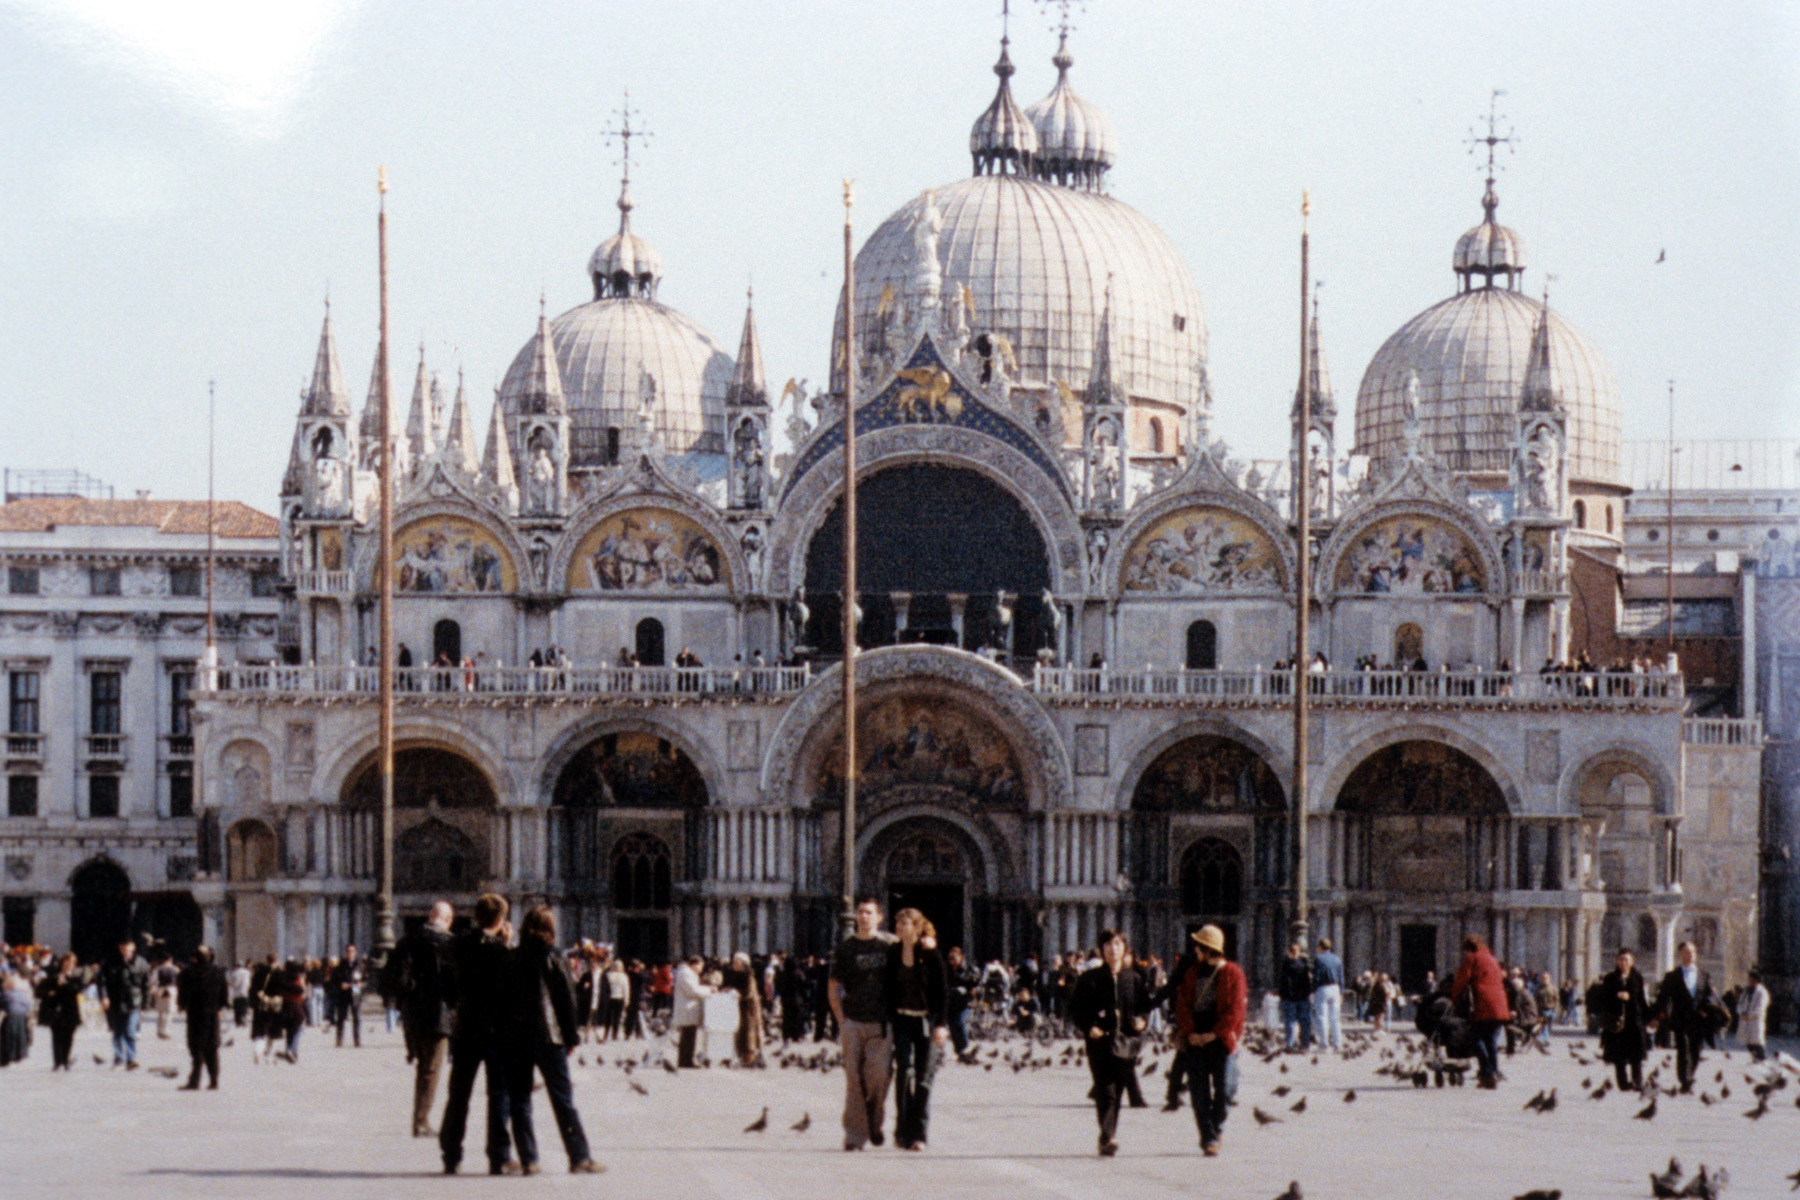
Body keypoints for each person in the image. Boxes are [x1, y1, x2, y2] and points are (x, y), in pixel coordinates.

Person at [502, 906, 604, 1175]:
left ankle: (529, 1159)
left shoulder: (511, 957)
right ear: (550, 929)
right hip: (550, 1036)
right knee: (562, 1099)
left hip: (516, 1037)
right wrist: (571, 1037)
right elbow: (566, 1000)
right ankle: (579, 1156)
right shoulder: (555, 956)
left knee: (520, 1099)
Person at [439, 893, 518, 1176]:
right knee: (499, 1095)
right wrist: (506, 945)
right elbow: (510, 986)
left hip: (465, 1029)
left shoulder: (457, 945)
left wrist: (457, 1007)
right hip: (497, 1031)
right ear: (501, 919)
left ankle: (451, 1155)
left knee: (458, 1094)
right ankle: (499, 1156)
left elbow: (447, 985)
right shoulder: (503, 951)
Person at [1070, 929, 1153, 1156]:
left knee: (1117, 1091)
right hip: (1099, 1043)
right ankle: (1108, 1136)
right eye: (1108, 944)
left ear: (1124, 948)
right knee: (1105, 1089)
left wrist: (1142, 1021)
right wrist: (1089, 1026)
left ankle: (1107, 1135)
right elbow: (1076, 1009)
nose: (1113, 949)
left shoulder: (1133, 979)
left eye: (1117, 944)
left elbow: (1145, 1006)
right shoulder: (1089, 979)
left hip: (1126, 1043)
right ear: (1102, 949)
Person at [1172, 924, 1246, 1156]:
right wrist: (1190, 1033)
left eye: (1198, 947)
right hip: (1196, 1038)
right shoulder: (1192, 973)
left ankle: (1216, 1126)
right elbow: (1182, 1004)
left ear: (1207, 949)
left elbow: (1236, 1010)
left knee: (1225, 1090)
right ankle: (1208, 1137)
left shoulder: (1233, 973)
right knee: (1199, 1092)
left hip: (1221, 1039)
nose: (1195, 951)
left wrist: (1214, 1034)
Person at [387, 900, 456, 1137]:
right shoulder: (449, 943)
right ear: (448, 920)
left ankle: (420, 1118)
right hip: (438, 1015)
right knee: (431, 1069)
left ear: (429, 916)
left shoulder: (407, 940)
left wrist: (408, 997)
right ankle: (421, 1121)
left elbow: (393, 978)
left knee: (423, 1066)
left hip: (413, 1014)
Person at [830, 896, 894, 1151]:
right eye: (860, 912)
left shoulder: (891, 945)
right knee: (854, 1079)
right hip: (853, 1021)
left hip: (881, 1021)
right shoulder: (846, 948)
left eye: (869, 912)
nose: (864, 916)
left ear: (879, 917)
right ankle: (855, 1136)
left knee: (878, 1075)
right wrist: (841, 1019)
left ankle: (873, 1121)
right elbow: (833, 985)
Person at [884, 908, 949, 1151]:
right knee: (904, 1074)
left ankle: (919, 1133)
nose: (900, 927)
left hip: (926, 1022)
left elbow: (942, 992)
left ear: (917, 927)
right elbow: (887, 987)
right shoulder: (893, 952)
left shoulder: (930, 954)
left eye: (905, 923)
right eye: (898, 923)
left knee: (924, 1078)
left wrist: (941, 1024)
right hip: (902, 1020)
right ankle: (903, 1132)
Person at [1652, 940, 1721, 1093]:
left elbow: (1711, 996)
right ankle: (1685, 1081)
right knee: (1683, 1050)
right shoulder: (1672, 976)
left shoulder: (1704, 975)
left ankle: (1690, 1075)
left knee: (1696, 1050)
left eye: (1692, 952)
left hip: (1699, 1020)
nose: (1690, 955)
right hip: (1680, 1019)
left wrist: (1707, 1009)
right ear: (1680, 955)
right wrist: (1657, 1016)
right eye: (1686, 952)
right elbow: (1663, 998)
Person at [1450, 935, 1510, 1089]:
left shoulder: (1473, 958)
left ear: (1469, 948)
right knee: (1491, 1041)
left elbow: (1461, 980)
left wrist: (1453, 998)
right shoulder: (1492, 959)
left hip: (1484, 1004)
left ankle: (1488, 1073)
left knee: (1474, 1038)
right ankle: (1492, 1073)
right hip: (1500, 1006)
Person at [1596, 948, 1650, 1091]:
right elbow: (1603, 998)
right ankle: (1623, 1083)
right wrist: (1616, 996)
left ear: (1632, 962)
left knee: (1636, 1055)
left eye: (1626, 960)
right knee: (1618, 1056)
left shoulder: (1637, 978)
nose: (1623, 962)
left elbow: (1641, 999)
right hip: (1616, 1022)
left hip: (1634, 1021)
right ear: (1616, 961)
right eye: (1620, 959)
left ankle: (1637, 1082)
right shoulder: (1610, 978)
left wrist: (1648, 1017)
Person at [176, 945, 229, 1090]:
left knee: (196, 1047)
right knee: (212, 1047)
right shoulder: (218, 972)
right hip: (212, 1014)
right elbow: (224, 993)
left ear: (194, 957)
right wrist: (220, 1007)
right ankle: (214, 1080)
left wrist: (182, 1005)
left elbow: (183, 991)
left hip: (195, 1014)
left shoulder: (188, 972)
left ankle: (195, 1080)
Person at [97, 936, 151, 1070]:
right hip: (115, 1001)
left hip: (134, 1001)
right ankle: (119, 1058)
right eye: (123, 948)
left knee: (130, 1031)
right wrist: (103, 996)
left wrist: (145, 1005)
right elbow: (101, 981)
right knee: (117, 1031)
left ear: (133, 947)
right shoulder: (110, 962)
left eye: (128, 948)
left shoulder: (141, 963)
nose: (125, 950)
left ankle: (131, 1058)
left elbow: (146, 985)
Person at [36, 953, 85, 1071]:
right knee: (56, 1036)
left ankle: (65, 1060)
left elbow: (77, 989)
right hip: (56, 1010)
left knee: (68, 1036)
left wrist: (66, 984)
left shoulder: (76, 978)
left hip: (70, 1010)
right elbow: (38, 991)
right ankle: (57, 1062)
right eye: (67, 962)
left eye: (72, 963)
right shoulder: (53, 977)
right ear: (62, 963)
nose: (69, 965)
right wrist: (49, 993)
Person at [724, 952, 765, 1067]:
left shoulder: (748, 975)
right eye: (734, 962)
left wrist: (736, 993)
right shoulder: (734, 974)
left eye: (737, 962)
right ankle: (742, 1055)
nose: (734, 964)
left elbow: (749, 992)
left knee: (749, 1031)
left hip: (749, 1007)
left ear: (743, 963)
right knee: (740, 1030)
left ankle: (750, 1056)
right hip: (739, 1006)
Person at [671, 955, 712, 1068]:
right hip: (687, 1008)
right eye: (700, 966)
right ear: (694, 964)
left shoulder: (688, 973)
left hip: (689, 1008)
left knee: (690, 1035)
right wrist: (709, 990)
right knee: (687, 1036)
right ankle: (685, 1061)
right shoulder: (685, 973)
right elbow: (693, 991)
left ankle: (686, 1059)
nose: (701, 970)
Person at [944, 946, 978, 1062]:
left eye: (954, 958)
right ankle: (959, 1051)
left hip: (965, 1002)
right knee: (952, 1025)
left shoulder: (970, 970)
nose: (952, 961)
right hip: (952, 1002)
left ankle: (965, 1048)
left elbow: (978, 984)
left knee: (960, 1022)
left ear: (961, 957)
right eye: (950, 959)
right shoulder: (947, 970)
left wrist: (973, 991)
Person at [1277, 942, 1313, 1050]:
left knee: (1290, 1021)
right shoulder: (1304, 965)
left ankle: (1291, 1043)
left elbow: (1283, 982)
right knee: (1304, 1021)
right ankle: (1305, 1044)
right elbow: (1308, 982)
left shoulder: (1286, 965)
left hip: (1290, 997)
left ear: (1289, 952)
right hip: (1303, 997)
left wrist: (1282, 995)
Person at [1311, 937, 1345, 1050]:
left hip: (1323, 988)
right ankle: (1337, 1043)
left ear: (1320, 947)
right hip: (1335, 988)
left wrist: (1313, 990)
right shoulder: (1337, 959)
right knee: (1335, 1018)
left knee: (1322, 1017)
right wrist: (1341, 992)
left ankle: (1324, 1044)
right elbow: (1341, 977)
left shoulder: (1319, 959)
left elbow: (1316, 977)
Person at [330, 944, 366, 1048]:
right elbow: (334, 979)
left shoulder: (360, 965)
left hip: (355, 994)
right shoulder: (341, 965)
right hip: (343, 994)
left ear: (356, 952)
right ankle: (339, 1040)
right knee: (341, 1018)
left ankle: (357, 1040)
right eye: (348, 951)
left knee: (357, 1018)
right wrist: (340, 985)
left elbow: (367, 980)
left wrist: (362, 984)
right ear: (345, 953)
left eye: (352, 951)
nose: (350, 953)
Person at [1738, 967, 1770, 1061]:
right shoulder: (1746, 991)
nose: (1750, 982)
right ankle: (1755, 1058)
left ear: (1757, 981)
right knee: (1748, 1043)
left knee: (1757, 1043)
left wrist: (1750, 1015)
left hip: (1755, 1020)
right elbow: (1740, 1003)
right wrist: (1741, 1013)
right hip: (1745, 1020)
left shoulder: (1762, 992)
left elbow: (1761, 1007)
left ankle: (1761, 1058)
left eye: (1752, 980)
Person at [227, 960, 252, 1027]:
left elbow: (231, 983)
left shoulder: (233, 973)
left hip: (236, 994)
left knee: (237, 1009)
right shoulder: (247, 972)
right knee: (244, 1007)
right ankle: (243, 1018)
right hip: (245, 993)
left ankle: (238, 1021)